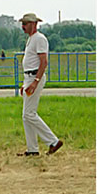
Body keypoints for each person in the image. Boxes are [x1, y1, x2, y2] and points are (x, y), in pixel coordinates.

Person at [18, 13, 63, 156]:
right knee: (26, 115)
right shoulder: (31, 39)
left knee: (29, 114)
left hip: (34, 77)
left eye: (25, 23)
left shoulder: (39, 39)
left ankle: (53, 141)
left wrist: (35, 82)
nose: (23, 26)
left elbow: (43, 62)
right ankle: (32, 149)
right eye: (22, 23)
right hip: (29, 78)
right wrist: (25, 83)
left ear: (34, 24)